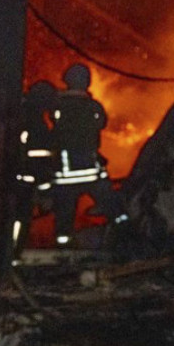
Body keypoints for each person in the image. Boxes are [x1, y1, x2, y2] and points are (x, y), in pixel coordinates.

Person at [48, 63, 117, 247]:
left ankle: (62, 249)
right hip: (91, 170)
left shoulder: (58, 105)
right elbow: (102, 123)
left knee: (64, 217)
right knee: (113, 206)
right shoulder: (94, 107)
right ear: (87, 83)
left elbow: (53, 120)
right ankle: (122, 236)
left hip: (65, 173)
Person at [12, 80, 58, 258]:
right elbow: (39, 159)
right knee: (19, 218)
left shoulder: (20, 112)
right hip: (22, 182)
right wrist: (45, 195)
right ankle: (11, 256)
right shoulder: (35, 122)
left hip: (13, 179)